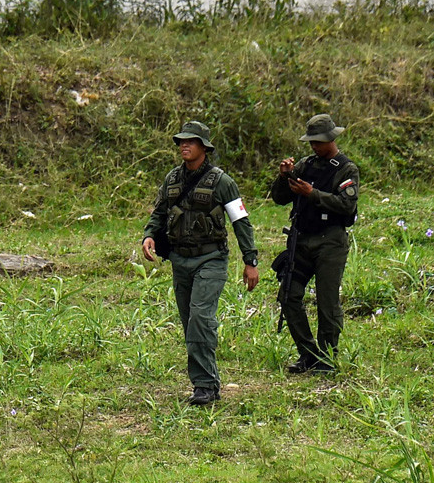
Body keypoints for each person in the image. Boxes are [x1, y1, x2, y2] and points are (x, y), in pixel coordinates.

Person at [142, 121, 259, 405]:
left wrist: (250, 260)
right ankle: (206, 383)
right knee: (189, 322)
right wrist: (149, 235)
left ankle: (205, 385)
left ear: (204, 147)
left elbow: (241, 221)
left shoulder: (222, 182)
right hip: (180, 260)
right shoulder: (172, 179)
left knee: (200, 319)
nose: (185, 145)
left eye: (191, 141)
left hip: (211, 259)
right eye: (181, 141)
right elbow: (160, 212)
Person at [271, 114, 359, 373]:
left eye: (318, 141)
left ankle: (328, 358)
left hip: (330, 241)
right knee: (288, 295)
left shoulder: (346, 169)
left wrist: (313, 194)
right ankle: (308, 354)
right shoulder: (305, 165)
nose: (314, 146)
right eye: (311, 142)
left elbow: (346, 205)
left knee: (327, 302)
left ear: (331, 138)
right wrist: (284, 177)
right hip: (301, 239)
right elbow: (279, 198)